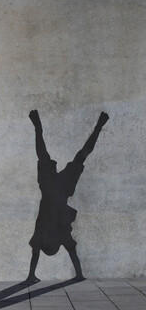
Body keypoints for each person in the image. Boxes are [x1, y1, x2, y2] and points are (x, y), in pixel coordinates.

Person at [27, 109, 109, 282]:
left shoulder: (52, 232)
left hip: (56, 190)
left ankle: (98, 127)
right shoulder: (53, 232)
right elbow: (42, 251)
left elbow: (38, 252)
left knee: (76, 157)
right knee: (73, 157)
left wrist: (31, 276)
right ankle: (38, 128)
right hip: (55, 190)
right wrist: (31, 275)